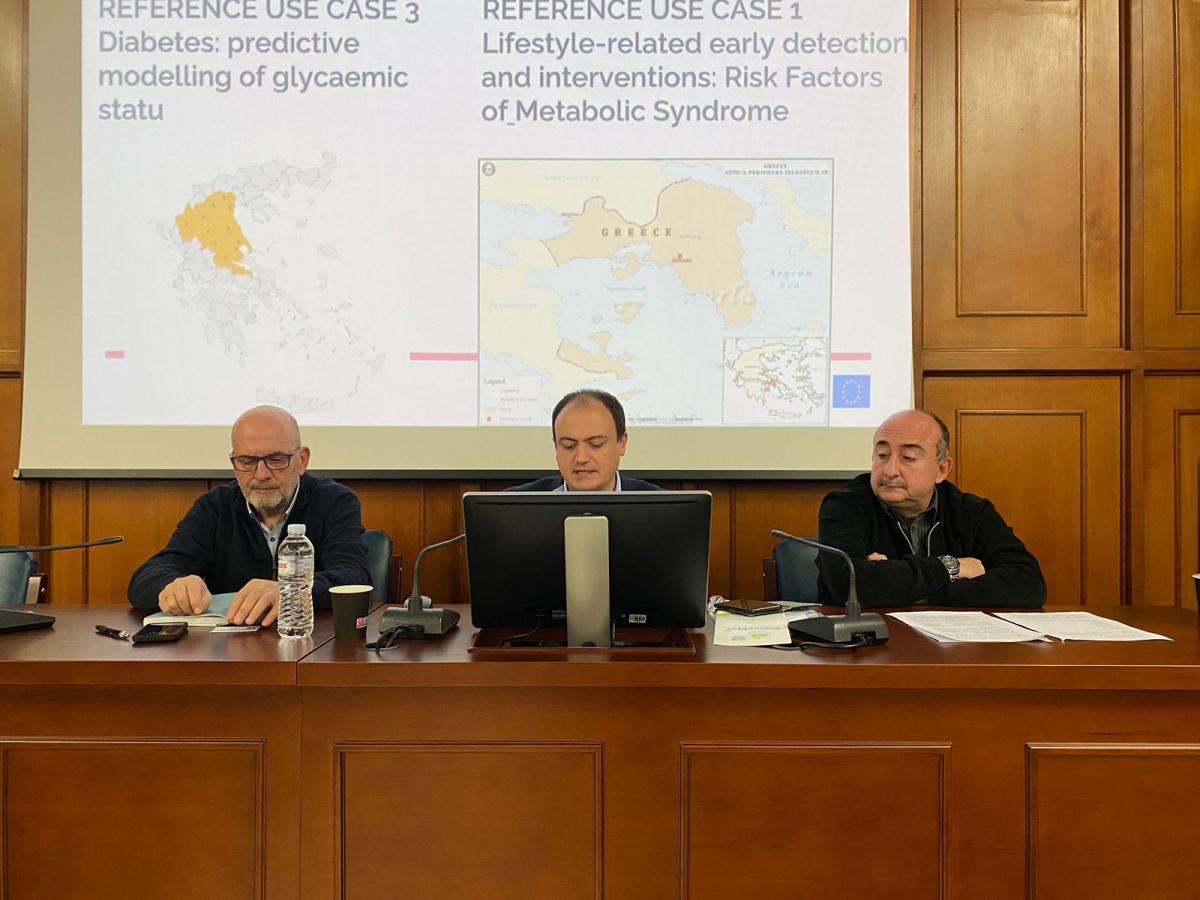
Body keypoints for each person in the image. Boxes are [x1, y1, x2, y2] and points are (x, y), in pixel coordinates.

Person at [127, 405, 370, 625]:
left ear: (302, 460)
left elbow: (354, 576)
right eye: (247, 461)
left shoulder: (333, 501)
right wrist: (173, 588)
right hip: (229, 650)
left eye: (276, 460)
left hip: (310, 642)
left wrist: (291, 592)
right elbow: (149, 576)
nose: (261, 474)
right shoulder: (214, 507)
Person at [816, 408, 1046, 608]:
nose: (890, 470)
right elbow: (849, 585)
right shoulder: (845, 506)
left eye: (908, 457)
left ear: (942, 469)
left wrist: (914, 592)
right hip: (871, 641)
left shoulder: (972, 512)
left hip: (957, 641)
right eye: (882, 455)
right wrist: (951, 568)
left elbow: (1028, 584)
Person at [508, 389, 661, 492]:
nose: (581, 458)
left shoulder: (663, 509)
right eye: (568, 446)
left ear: (622, 443)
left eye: (595, 445)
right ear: (556, 447)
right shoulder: (511, 507)